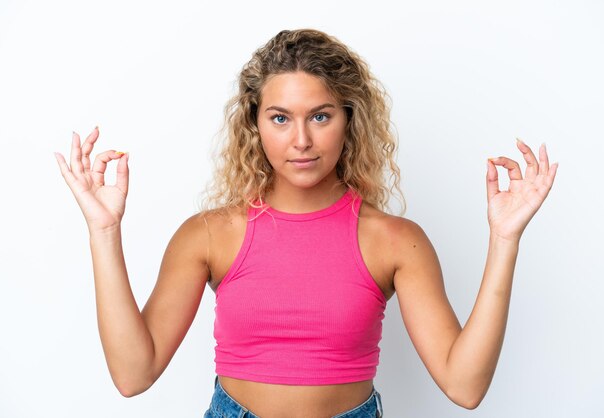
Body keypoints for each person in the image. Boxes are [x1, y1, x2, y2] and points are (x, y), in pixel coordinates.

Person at [53, 29, 558, 418]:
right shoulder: (209, 234)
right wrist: (103, 231)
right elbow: (132, 374)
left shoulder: (395, 242)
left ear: (349, 119)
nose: (301, 141)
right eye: (280, 118)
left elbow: (464, 386)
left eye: (320, 116)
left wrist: (504, 239)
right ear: (254, 123)